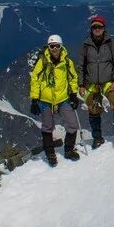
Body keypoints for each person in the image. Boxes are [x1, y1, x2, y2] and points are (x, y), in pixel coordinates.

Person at [29, 34, 81, 166]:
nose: (55, 49)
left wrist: (74, 94)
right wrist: (35, 99)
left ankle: (68, 150)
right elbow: (35, 79)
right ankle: (50, 154)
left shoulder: (67, 62)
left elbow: (73, 78)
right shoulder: (43, 62)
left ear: (61, 46)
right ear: (48, 47)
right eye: (52, 46)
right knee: (47, 127)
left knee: (73, 125)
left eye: (57, 46)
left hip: (63, 99)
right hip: (45, 100)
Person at [78, 14, 114, 147]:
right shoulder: (86, 44)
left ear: (104, 28)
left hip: (108, 82)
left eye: (99, 26)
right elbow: (81, 65)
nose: (97, 29)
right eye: (95, 27)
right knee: (93, 110)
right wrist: (81, 84)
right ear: (91, 28)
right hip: (91, 83)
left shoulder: (111, 43)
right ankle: (97, 137)